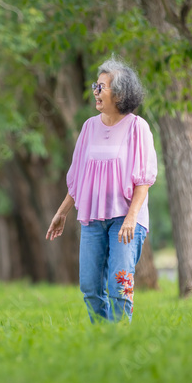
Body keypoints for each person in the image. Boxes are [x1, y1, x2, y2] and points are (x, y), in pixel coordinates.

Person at [46, 58, 157, 322]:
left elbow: (143, 180)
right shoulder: (89, 127)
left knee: (120, 283)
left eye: (101, 87)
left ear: (119, 93)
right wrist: (62, 212)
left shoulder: (137, 128)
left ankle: (121, 335)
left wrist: (131, 218)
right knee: (90, 286)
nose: (95, 91)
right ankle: (102, 335)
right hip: (93, 218)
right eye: (95, 86)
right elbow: (78, 178)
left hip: (125, 220)